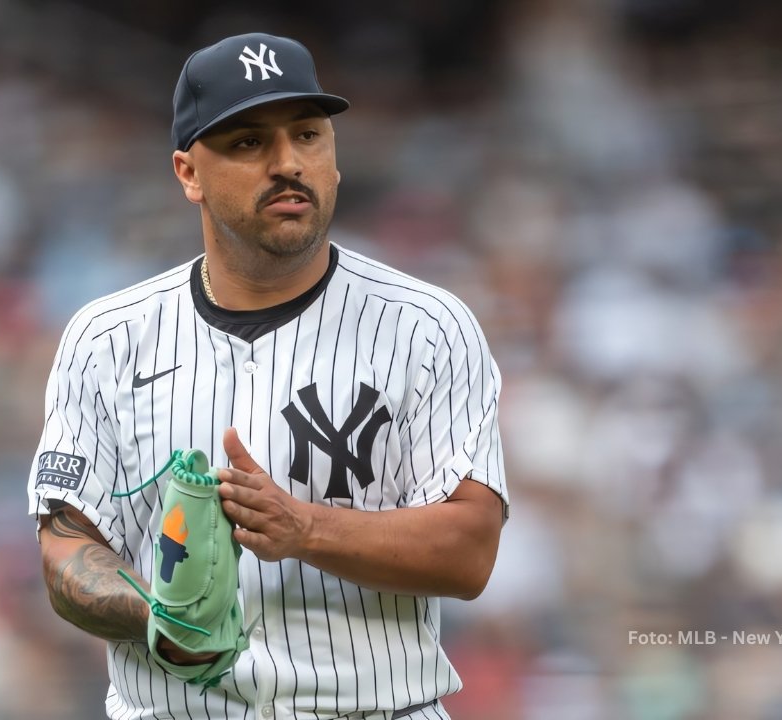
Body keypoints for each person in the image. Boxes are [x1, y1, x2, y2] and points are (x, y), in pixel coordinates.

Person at [27, 31, 508, 720]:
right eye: (249, 142)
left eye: (308, 135)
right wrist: (164, 619)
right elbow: (66, 543)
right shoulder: (107, 339)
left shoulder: (427, 325)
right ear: (189, 172)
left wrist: (305, 529)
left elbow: (470, 552)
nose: (289, 163)